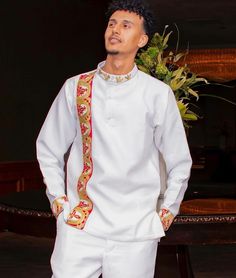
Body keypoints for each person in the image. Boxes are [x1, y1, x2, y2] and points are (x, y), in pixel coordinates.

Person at [36, 0, 192, 277]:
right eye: (111, 24)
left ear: (142, 39)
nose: (115, 30)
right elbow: (48, 147)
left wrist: (166, 211)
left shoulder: (157, 94)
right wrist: (59, 201)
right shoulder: (77, 87)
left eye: (125, 25)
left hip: (136, 228)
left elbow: (179, 160)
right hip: (80, 225)